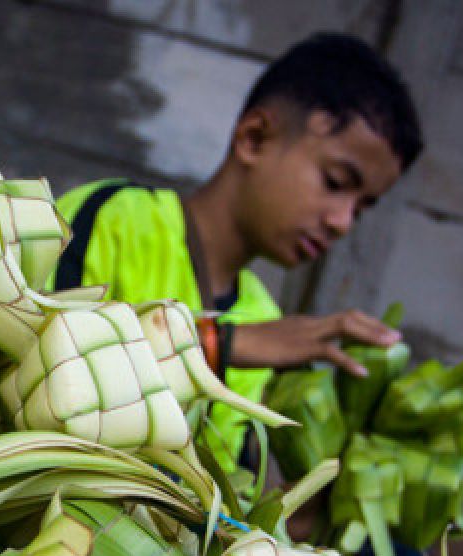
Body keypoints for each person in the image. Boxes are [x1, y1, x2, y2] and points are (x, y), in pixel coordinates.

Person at [52, 32, 423, 472]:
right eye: (336, 183)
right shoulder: (115, 217)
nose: (342, 222)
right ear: (254, 138)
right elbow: (42, 367)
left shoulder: (264, 316)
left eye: (361, 209)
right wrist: (221, 346)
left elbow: (226, 495)